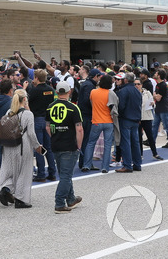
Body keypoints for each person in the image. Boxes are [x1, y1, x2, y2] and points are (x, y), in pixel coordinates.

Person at [0, 89, 41, 209]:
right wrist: (37, 146)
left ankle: (4, 189)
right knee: (24, 171)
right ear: (25, 99)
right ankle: (20, 199)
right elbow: (31, 133)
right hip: (23, 145)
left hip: (9, 144)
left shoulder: (9, 112)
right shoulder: (28, 114)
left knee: (9, 169)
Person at [47, 81, 83, 213]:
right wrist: (78, 145)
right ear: (69, 92)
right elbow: (79, 129)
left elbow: (47, 126)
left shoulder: (50, 107)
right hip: (69, 145)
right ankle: (59, 203)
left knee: (64, 173)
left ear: (57, 93)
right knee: (66, 175)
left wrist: (55, 136)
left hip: (56, 144)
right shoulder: (73, 108)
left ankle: (71, 198)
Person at [81, 74, 115, 173]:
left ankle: (86, 164)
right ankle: (105, 167)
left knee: (90, 143)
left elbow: (91, 103)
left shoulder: (93, 92)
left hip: (96, 121)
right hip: (108, 121)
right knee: (108, 145)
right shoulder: (111, 93)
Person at [27, 69, 55, 181]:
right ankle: (52, 172)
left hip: (37, 119)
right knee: (48, 147)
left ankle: (41, 173)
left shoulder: (34, 91)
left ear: (36, 78)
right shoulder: (50, 90)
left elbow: (27, 102)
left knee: (39, 147)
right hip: (48, 120)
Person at [116, 73, 143, 173]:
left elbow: (121, 106)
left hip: (126, 118)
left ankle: (127, 165)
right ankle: (137, 164)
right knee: (135, 142)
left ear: (126, 80)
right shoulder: (137, 91)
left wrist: (119, 115)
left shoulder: (123, 91)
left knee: (125, 142)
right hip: (135, 119)